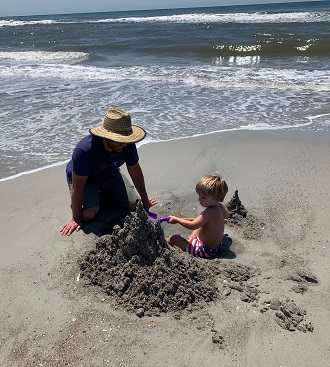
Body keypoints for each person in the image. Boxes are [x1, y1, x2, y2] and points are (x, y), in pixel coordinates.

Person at [61, 108, 157, 236]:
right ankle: (94, 198)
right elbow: (77, 188)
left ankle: (105, 194)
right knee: (89, 215)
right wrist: (75, 219)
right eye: (119, 141)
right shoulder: (84, 150)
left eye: (126, 141)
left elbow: (135, 171)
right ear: (106, 137)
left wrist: (145, 199)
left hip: (110, 173)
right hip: (86, 180)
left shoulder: (127, 145)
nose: (123, 145)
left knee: (133, 205)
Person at [166, 174, 228, 258]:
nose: (199, 200)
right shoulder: (220, 207)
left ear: (216, 198)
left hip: (205, 250)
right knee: (200, 224)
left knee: (175, 239)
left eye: (204, 198)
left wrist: (177, 220)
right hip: (215, 247)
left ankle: (160, 242)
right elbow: (226, 215)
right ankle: (191, 239)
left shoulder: (209, 212)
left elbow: (192, 225)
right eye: (199, 196)